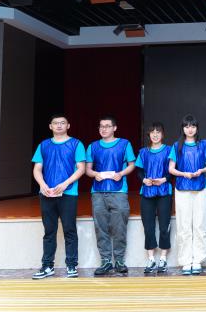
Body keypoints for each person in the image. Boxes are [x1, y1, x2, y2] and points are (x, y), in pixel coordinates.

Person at [31, 114, 86, 279]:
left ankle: (71, 265)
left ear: (68, 125)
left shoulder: (76, 144)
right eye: (56, 123)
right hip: (47, 193)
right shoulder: (43, 145)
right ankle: (47, 266)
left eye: (63, 123)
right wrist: (42, 185)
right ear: (50, 126)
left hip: (68, 193)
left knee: (69, 230)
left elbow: (81, 168)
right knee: (49, 231)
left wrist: (65, 184)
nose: (59, 125)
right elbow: (37, 169)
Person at [85, 115, 136, 276]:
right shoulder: (92, 146)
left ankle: (119, 260)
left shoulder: (124, 144)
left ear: (114, 128)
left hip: (118, 192)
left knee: (119, 227)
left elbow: (132, 165)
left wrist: (121, 174)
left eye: (107, 126)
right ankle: (106, 261)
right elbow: (87, 169)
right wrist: (95, 174)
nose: (104, 129)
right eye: (101, 126)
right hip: (98, 192)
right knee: (100, 228)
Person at [168, 115, 206, 275]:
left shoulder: (204, 144)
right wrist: (183, 174)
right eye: (187, 126)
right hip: (182, 188)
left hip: (200, 188)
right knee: (184, 225)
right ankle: (185, 261)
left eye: (193, 126)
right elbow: (171, 168)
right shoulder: (177, 146)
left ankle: (198, 260)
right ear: (183, 128)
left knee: (200, 224)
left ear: (197, 128)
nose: (190, 129)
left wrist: (201, 170)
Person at [136, 122, 172, 274]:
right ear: (149, 135)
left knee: (164, 226)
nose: (155, 135)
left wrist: (164, 179)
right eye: (152, 132)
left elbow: (172, 170)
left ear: (162, 134)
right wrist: (144, 180)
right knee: (148, 226)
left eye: (158, 132)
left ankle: (163, 258)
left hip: (164, 191)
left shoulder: (169, 150)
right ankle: (151, 259)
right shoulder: (143, 152)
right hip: (147, 192)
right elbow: (139, 170)